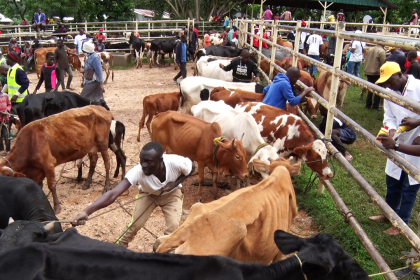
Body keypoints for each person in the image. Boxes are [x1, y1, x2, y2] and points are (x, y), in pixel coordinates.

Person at [72, 141, 195, 248]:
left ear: (160, 160)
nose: (144, 165)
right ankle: (119, 248)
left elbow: (192, 168)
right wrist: (87, 211)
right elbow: (113, 193)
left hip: (172, 195)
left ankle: (166, 254)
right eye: (141, 160)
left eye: (148, 162)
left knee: (173, 228)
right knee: (135, 224)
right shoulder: (138, 171)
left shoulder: (176, 162)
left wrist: (174, 184)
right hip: (147, 194)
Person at [369, 62, 420, 236]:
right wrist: (391, 131)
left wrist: (417, 121)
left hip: (416, 141)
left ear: (399, 75)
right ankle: (389, 213)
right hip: (397, 139)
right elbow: (389, 116)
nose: (387, 85)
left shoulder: (418, 87)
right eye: (385, 82)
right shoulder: (389, 93)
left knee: (409, 185)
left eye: (390, 80)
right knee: (392, 181)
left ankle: (402, 223)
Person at [364, 44, 386, 110]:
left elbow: (366, 60)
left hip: (368, 71)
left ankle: (368, 104)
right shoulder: (381, 51)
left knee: (370, 89)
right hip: (377, 73)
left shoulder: (370, 49)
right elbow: (383, 63)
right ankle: (375, 106)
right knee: (378, 90)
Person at [0, 80, 11, 156]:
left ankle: (8, 150)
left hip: (6, 118)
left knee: (7, 134)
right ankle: (1, 149)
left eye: (0, 86)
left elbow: (9, 104)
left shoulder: (5, 96)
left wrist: (7, 110)